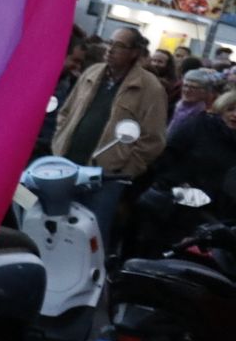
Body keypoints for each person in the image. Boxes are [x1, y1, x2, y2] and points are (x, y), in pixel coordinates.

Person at [51, 27, 168, 182]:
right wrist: (60, 140)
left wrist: (124, 171)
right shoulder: (91, 72)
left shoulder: (150, 88)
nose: (110, 49)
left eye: (119, 46)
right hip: (65, 163)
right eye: (109, 43)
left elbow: (153, 140)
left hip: (105, 177)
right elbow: (66, 112)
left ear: (134, 52)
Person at [149, 89, 236, 222]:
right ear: (220, 110)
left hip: (219, 214)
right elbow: (168, 155)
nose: (234, 115)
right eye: (230, 109)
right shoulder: (199, 125)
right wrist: (177, 184)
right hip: (179, 201)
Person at [168, 66, 223, 135]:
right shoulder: (175, 107)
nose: (187, 90)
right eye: (185, 85)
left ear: (206, 92)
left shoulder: (209, 116)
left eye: (193, 87)